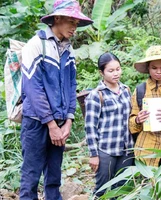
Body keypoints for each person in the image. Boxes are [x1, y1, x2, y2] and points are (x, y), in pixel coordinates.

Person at [20, 0, 93, 199]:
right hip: (36, 122)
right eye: (71, 21)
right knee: (31, 177)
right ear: (57, 18)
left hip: (60, 123)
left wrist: (68, 120)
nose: (74, 27)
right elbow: (33, 89)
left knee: (54, 177)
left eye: (77, 23)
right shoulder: (35, 45)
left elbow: (71, 87)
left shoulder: (68, 50)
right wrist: (51, 124)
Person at [85, 52, 134, 198]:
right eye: (110, 71)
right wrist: (94, 154)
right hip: (106, 149)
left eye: (118, 69)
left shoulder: (126, 90)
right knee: (102, 189)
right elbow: (90, 127)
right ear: (102, 73)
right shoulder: (96, 95)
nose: (116, 74)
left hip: (126, 149)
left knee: (122, 188)